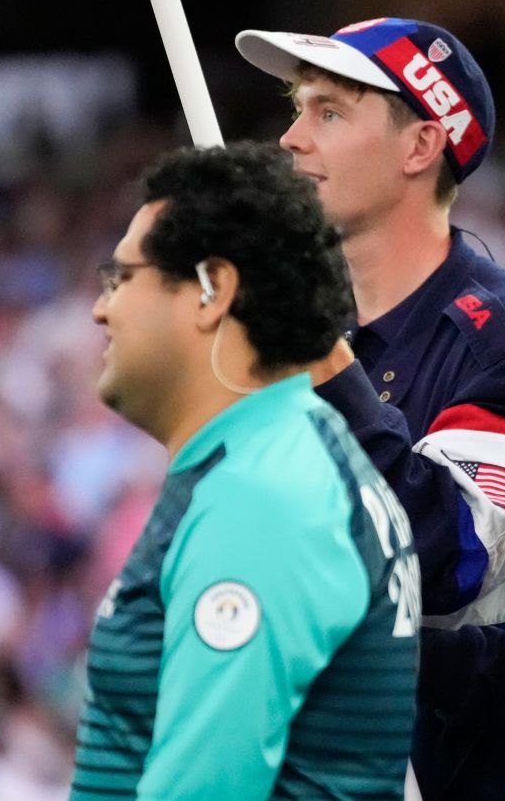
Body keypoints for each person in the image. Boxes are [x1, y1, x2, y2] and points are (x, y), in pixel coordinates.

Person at [236, 17, 505, 799]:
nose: (290, 140)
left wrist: (320, 361)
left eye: (329, 112)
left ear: (420, 147)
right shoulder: (312, 335)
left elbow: (448, 554)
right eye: (298, 108)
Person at [70, 142, 420, 799]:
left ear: (212, 291)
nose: (101, 308)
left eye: (120, 278)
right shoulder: (277, 460)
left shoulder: (263, 497)